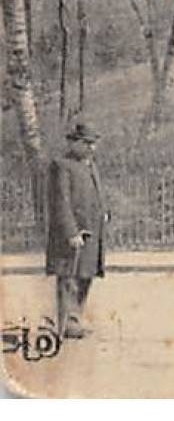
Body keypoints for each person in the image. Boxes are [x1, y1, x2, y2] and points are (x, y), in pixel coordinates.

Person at [46, 122, 108, 339]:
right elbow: (60, 202)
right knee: (68, 278)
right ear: (73, 143)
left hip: (92, 231)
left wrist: (104, 213)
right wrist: (71, 232)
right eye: (87, 143)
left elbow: (96, 193)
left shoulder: (90, 165)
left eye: (94, 143)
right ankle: (64, 325)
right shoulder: (61, 165)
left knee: (85, 276)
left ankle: (75, 320)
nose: (92, 148)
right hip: (72, 234)